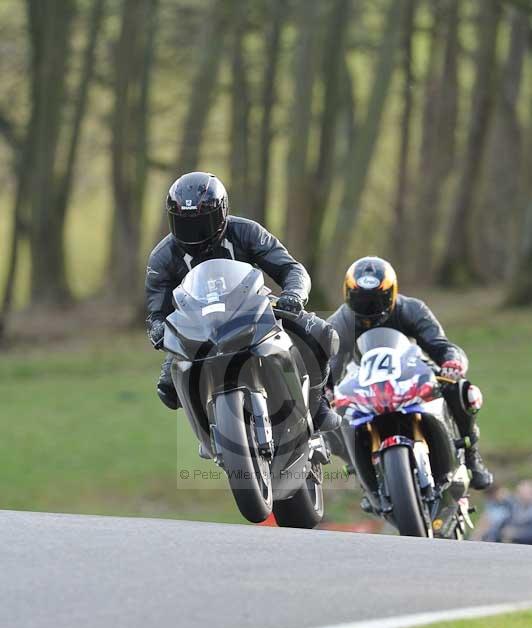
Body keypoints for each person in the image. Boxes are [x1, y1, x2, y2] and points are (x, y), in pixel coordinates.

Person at [145, 171, 341, 432]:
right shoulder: (162, 256)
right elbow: (156, 310)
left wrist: (293, 295)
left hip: (255, 308)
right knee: (168, 389)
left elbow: (291, 269)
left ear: (222, 213)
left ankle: (317, 406)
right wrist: (157, 328)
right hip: (196, 326)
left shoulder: (247, 232)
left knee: (321, 334)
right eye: (185, 224)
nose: (194, 232)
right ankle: (209, 435)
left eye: (202, 222)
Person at [327, 255, 493, 490]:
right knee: (324, 412)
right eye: (361, 301)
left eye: (377, 301)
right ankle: (357, 464)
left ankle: (471, 453)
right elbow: (330, 364)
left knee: (461, 389)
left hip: (411, 371)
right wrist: (326, 389)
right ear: (348, 295)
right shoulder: (340, 322)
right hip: (363, 382)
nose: (369, 309)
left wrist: (452, 362)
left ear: (391, 294)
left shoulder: (411, 309)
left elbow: (440, 345)